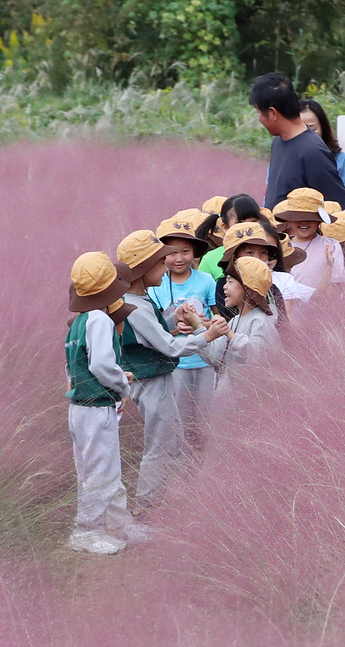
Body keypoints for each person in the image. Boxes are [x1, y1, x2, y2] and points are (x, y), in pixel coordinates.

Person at [115, 229, 213, 514]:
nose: (167, 265)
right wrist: (206, 336)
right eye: (160, 262)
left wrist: (173, 318)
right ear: (143, 269)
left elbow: (154, 332)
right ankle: (145, 508)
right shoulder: (136, 307)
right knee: (160, 444)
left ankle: (163, 500)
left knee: (173, 439)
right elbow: (169, 347)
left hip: (153, 380)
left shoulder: (137, 301)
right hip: (150, 382)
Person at [64, 253, 135, 554]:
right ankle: (86, 531)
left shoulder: (78, 322)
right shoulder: (101, 320)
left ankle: (120, 526)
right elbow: (103, 366)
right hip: (96, 409)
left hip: (79, 407)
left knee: (96, 469)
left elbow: (73, 367)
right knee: (102, 473)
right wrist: (122, 386)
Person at [151, 210, 219, 448]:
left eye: (185, 251)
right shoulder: (156, 285)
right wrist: (175, 329)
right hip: (175, 361)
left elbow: (218, 320)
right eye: (171, 253)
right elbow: (154, 328)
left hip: (204, 359)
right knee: (178, 416)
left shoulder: (206, 281)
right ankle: (182, 455)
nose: (178, 258)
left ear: (195, 253)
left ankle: (203, 455)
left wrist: (201, 324)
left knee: (205, 415)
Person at [249, 72, 345, 210]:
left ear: (273, 113)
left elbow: (339, 209)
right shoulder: (278, 141)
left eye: (259, 112)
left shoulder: (313, 151)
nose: (259, 118)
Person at [199, 257, 282, 398]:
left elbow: (257, 356)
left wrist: (230, 334)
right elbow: (215, 357)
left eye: (230, 282)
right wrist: (198, 327)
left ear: (248, 289)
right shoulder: (235, 321)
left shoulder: (260, 321)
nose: (224, 286)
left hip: (251, 401)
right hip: (229, 400)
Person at [273, 187, 345, 296]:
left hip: (320, 307)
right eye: (298, 218)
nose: (304, 222)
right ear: (290, 220)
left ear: (319, 221)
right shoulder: (282, 245)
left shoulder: (331, 245)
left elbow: (335, 285)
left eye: (310, 218)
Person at [300, 99, 345, 210]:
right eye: (301, 129)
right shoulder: (282, 160)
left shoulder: (342, 161)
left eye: (312, 129)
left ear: (323, 128)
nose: (307, 135)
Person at [198, 194, 263, 280]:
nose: (248, 227)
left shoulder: (268, 252)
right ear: (225, 228)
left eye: (254, 222)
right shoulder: (210, 259)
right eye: (240, 223)